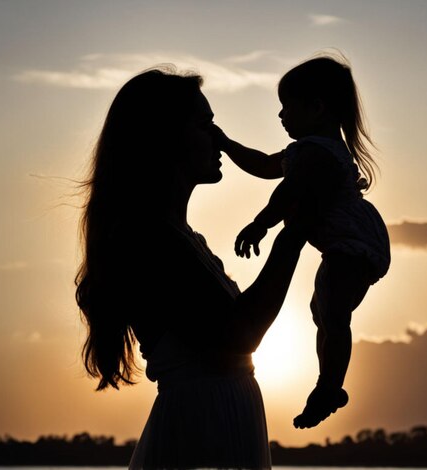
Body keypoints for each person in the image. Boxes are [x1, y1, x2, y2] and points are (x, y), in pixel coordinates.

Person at [74, 67, 307, 469]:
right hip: (201, 432)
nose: (217, 137)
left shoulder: (177, 237)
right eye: (205, 125)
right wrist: (295, 233)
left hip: (213, 424)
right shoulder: (150, 238)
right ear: (165, 138)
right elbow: (238, 334)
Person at [216, 54, 391, 429]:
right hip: (346, 245)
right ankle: (328, 384)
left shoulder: (315, 152)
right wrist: (227, 145)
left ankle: (329, 386)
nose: (281, 116)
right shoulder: (310, 149)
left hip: (351, 242)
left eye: (287, 107)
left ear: (316, 108)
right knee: (323, 313)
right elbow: (264, 165)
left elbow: (287, 192)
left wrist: (259, 224)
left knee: (334, 314)